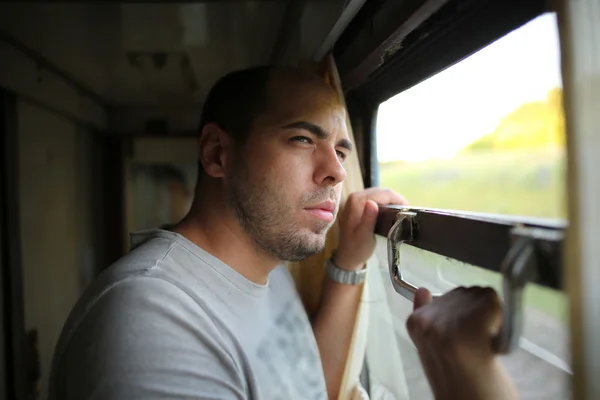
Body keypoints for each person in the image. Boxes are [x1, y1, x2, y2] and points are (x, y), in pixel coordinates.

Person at [48, 66, 517, 400]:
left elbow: (311, 387)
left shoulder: (263, 267)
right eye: (302, 139)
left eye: (340, 149)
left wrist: (349, 264)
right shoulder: (152, 322)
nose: (335, 171)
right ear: (217, 155)